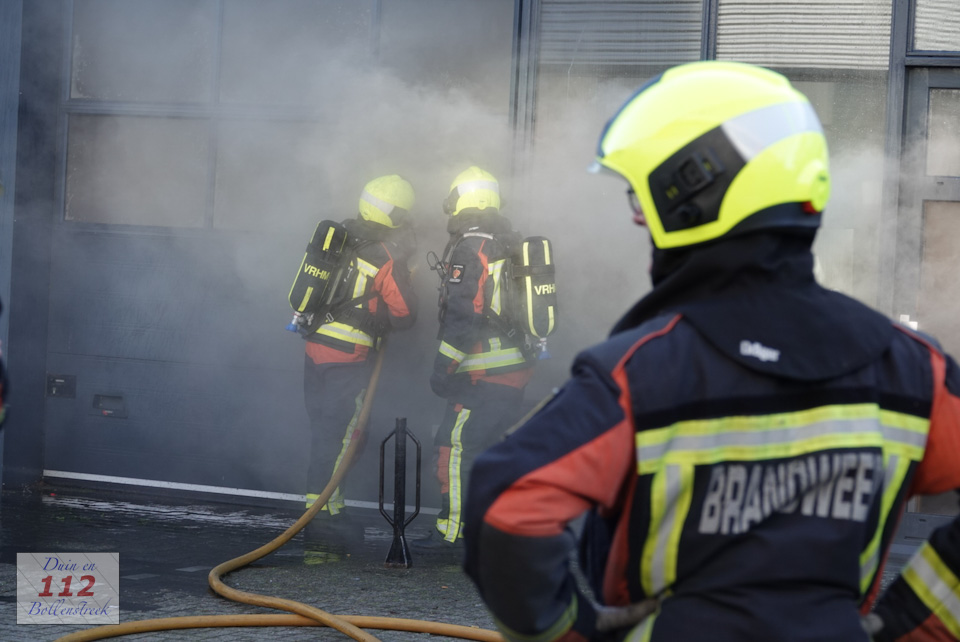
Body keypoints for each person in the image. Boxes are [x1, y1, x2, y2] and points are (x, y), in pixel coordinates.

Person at [462, 61, 960, 642]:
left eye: (644, 194)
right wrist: (911, 626)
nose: (636, 214)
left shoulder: (636, 373)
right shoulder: (911, 368)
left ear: (694, 195)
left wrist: (577, 633)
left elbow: (507, 507)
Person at [423, 166, 537, 547]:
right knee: (490, 450)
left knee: (454, 448)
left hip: (481, 373)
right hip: (513, 370)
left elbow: (462, 317)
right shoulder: (507, 241)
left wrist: (443, 369)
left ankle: (454, 538)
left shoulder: (471, 247)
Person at [300, 174, 418, 535]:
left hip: (316, 349)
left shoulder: (338, 241)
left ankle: (321, 507)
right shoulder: (384, 255)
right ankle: (324, 515)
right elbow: (405, 314)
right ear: (394, 214)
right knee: (344, 434)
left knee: (324, 430)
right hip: (349, 357)